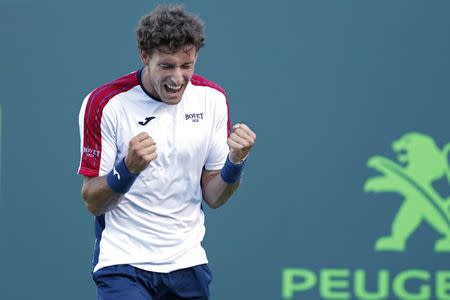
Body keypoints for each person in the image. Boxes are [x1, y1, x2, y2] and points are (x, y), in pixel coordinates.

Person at [77, 5, 256, 300]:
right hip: (124, 265)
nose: (178, 78)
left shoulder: (213, 99)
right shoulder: (105, 103)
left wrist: (236, 162)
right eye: (167, 66)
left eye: (187, 66)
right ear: (145, 57)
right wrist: (127, 169)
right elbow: (93, 202)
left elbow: (214, 196)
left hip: (188, 264)